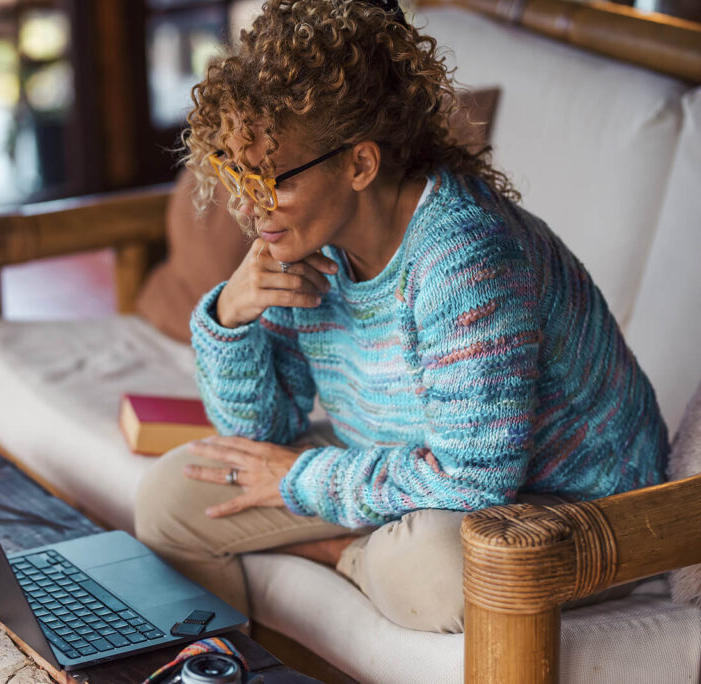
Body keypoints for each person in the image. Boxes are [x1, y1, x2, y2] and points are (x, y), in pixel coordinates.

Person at [133, 0, 668, 633]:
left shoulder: (467, 258)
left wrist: (305, 480)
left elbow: (474, 482)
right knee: (171, 499)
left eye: (270, 181)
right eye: (234, 176)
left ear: (360, 164)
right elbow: (261, 435)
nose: (248, 211)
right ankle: (239, 661)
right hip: (405, 472)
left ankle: (346, 557)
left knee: (436, 568)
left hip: (572, 513)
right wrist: (232, 318)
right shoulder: (300, 245)